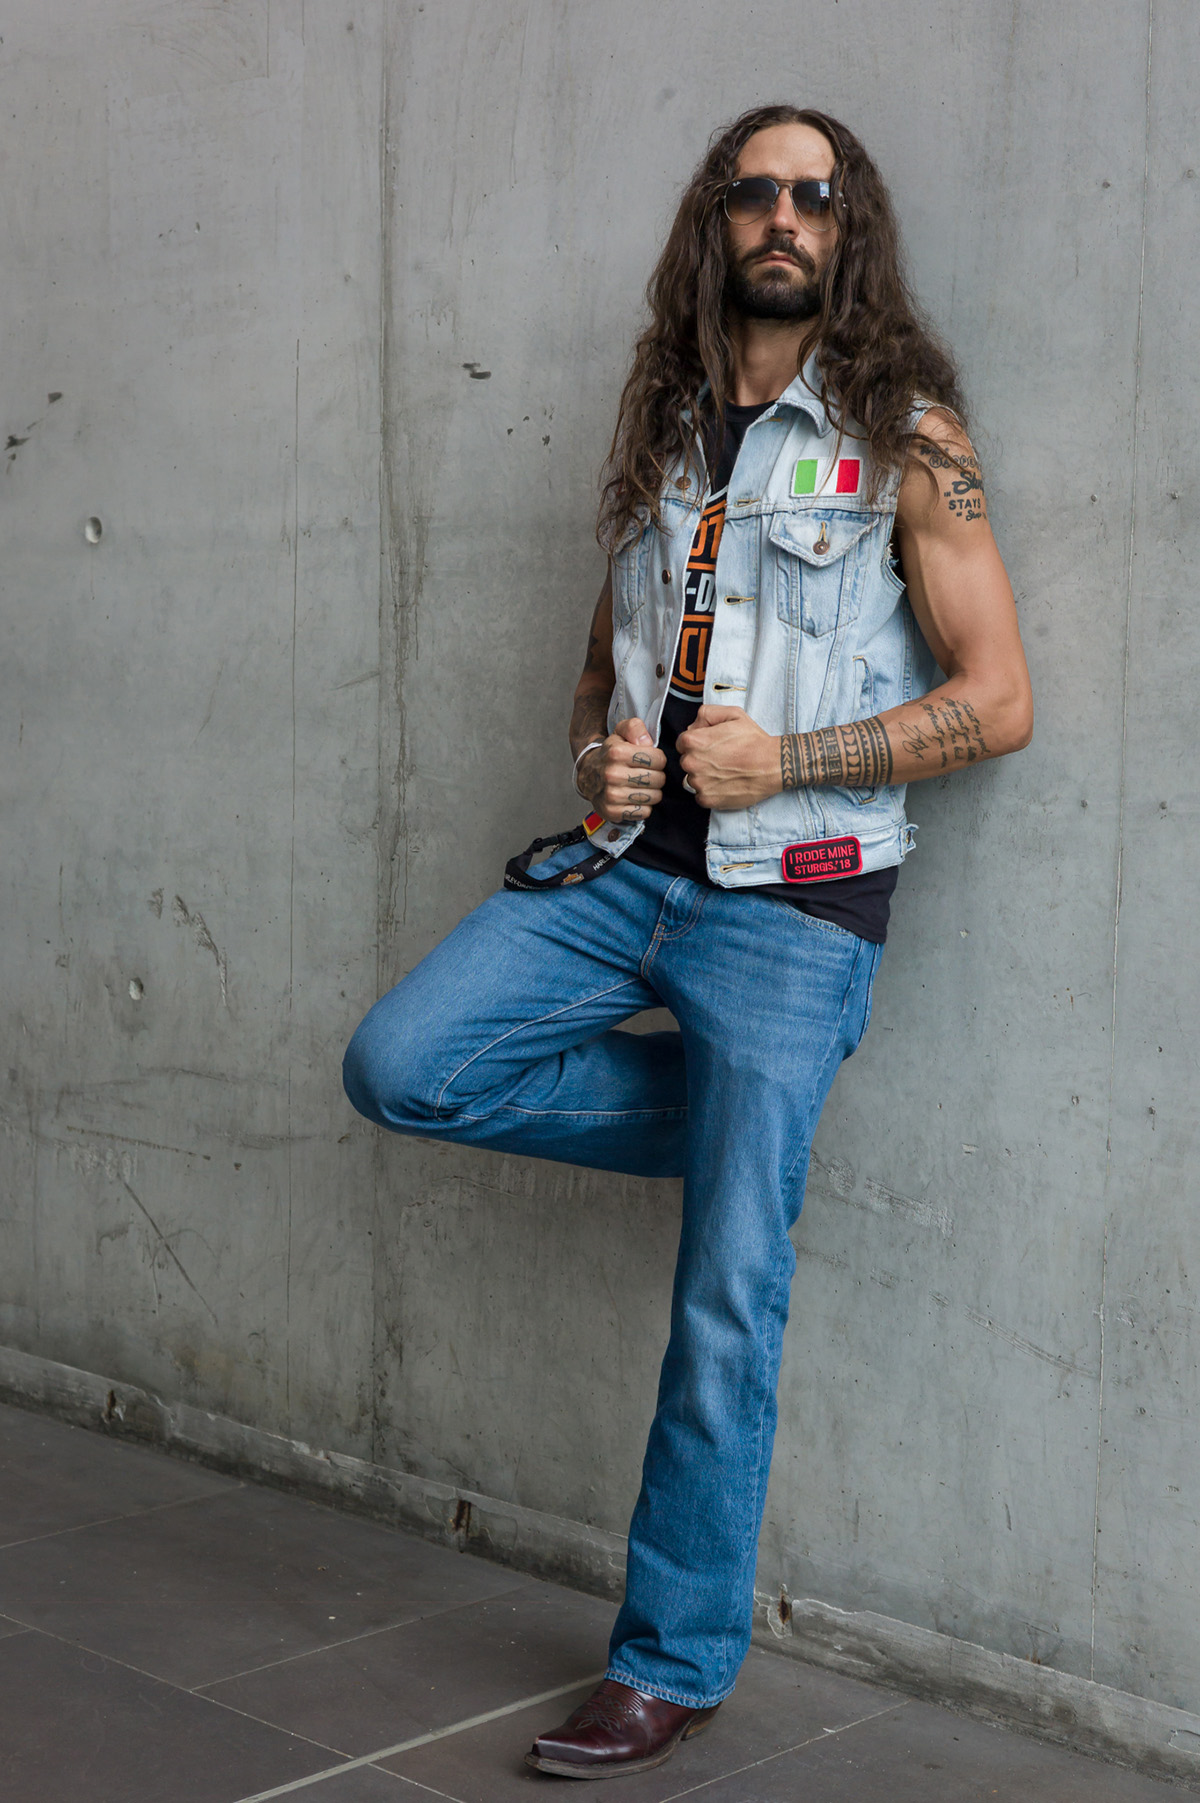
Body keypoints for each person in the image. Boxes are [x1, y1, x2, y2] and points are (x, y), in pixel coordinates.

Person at [343, 103, 1032, 1782]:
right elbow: (604, 671)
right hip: (622, 876)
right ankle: (742, 1136)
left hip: (795, 902)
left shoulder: (910, 439)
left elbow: (1001, 701)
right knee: (404, 1065)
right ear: (716, 223)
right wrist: (602, 753)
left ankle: (669, 1660)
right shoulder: (662, 429)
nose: (785, 215)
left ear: (849, 228)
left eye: (817, 194)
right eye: (756, 192)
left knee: (727, 1297)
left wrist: (785, 763)